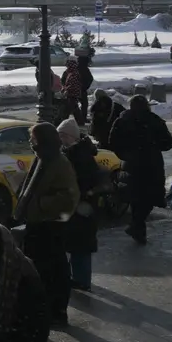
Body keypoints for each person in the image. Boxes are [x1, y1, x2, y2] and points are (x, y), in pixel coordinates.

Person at [13, 122, 80, 327]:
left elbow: (69, 196)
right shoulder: (42, 158)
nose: (31, 143)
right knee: (38, 268)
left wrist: (39, 204)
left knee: (53, 268)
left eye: (34, 139)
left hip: (50, 224)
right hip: (37, 222)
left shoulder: (59, 162)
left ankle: (56, 310)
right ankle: (41, 307)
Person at [109, 94, 172, 244]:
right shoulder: (154, 121)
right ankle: (138, 227)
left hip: (132, 163)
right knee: (149, 196)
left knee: (136, 196)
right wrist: (153, 146)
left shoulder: (122, 121)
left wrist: (125, 154)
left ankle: (137, 227)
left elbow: (113, 142)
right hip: (152, 163)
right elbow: (167, 143)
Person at [59, 118, 103, 293]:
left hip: (82, 207)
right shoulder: (79, 152)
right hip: (82, 207)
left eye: (61, 136)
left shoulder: (78, 156)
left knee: (80, 246)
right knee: (79, 245)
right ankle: (80, 278)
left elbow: (82, 183)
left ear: (70, 136)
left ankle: (82, 280)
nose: (60, 140)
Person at [60, 54, 92, 125]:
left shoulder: (71, 71)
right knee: (76, 106)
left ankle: (64, 121)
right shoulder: (77, 69)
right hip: (79, 91)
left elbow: (65, 80)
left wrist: (65, 87)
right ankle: (81, 120)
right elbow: (90, 79)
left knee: (71, 107)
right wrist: (84, 87)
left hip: (73, 91)